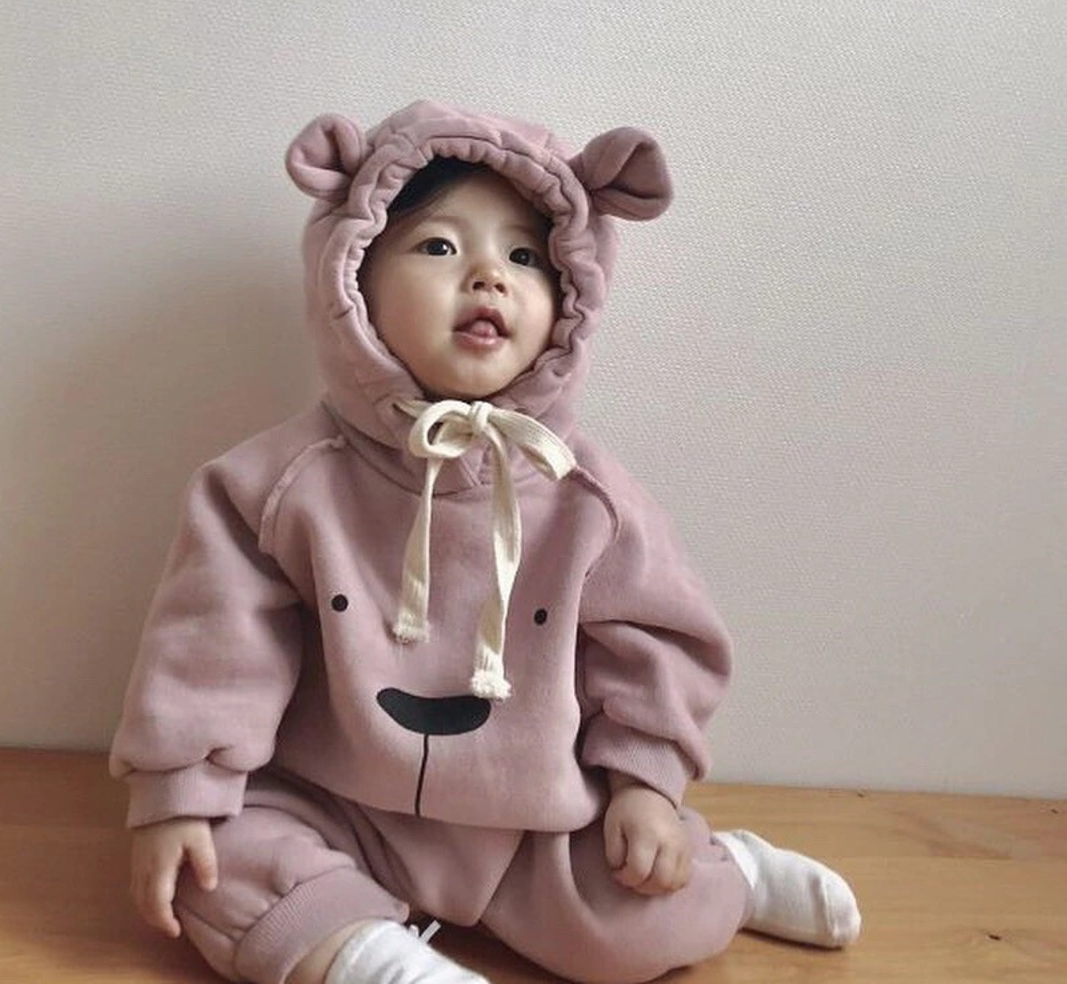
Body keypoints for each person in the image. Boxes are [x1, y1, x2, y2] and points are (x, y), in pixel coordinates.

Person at [110, 100, 861, 984]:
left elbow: (657, 645)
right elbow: (211, 647)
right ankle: (375, 961)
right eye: (438, 246)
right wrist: (181, 793)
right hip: (331, 805)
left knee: (638, 920)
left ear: (570, 296)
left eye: (524, 257)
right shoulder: (274, 486)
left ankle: (731, 870)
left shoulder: (585, 497)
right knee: (209, 869)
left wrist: (645, 783)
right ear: (351, 278)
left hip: (530, 822)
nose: (488, 277)